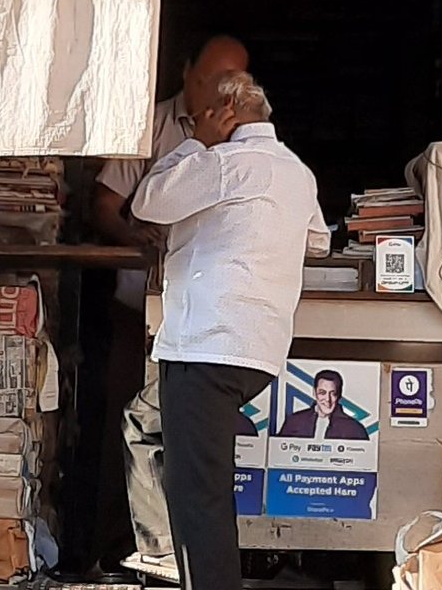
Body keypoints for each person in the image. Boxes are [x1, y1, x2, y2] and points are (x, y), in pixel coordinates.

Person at [131, 72, 330, 590]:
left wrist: (197, 144)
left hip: (206, 344)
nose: (192, 126)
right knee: (188, 464)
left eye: (197, 117)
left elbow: (146, 201)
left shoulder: (220, 163)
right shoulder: (297, 173)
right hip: (258, 353)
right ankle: (169, 561)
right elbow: (317, 243)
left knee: (200, 494)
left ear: (225, 114)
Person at [91, 36, 249, 578]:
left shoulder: (248, 140)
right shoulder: (151, 126)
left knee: (174, 437)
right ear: (186, 73)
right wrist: (141, 234)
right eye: (211, 80)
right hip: (139, 305)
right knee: (130, 423)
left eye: (234, 83)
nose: (221, 94)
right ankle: (120, 548)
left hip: (205, 320)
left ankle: (174, 557)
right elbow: (107, 204)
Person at [277, 369, 370, 441]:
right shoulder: (294, 422)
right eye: (322, 393)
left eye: (332, 393)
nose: (327, 399)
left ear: (339, 395)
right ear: (314, 393)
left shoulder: (355, 429)